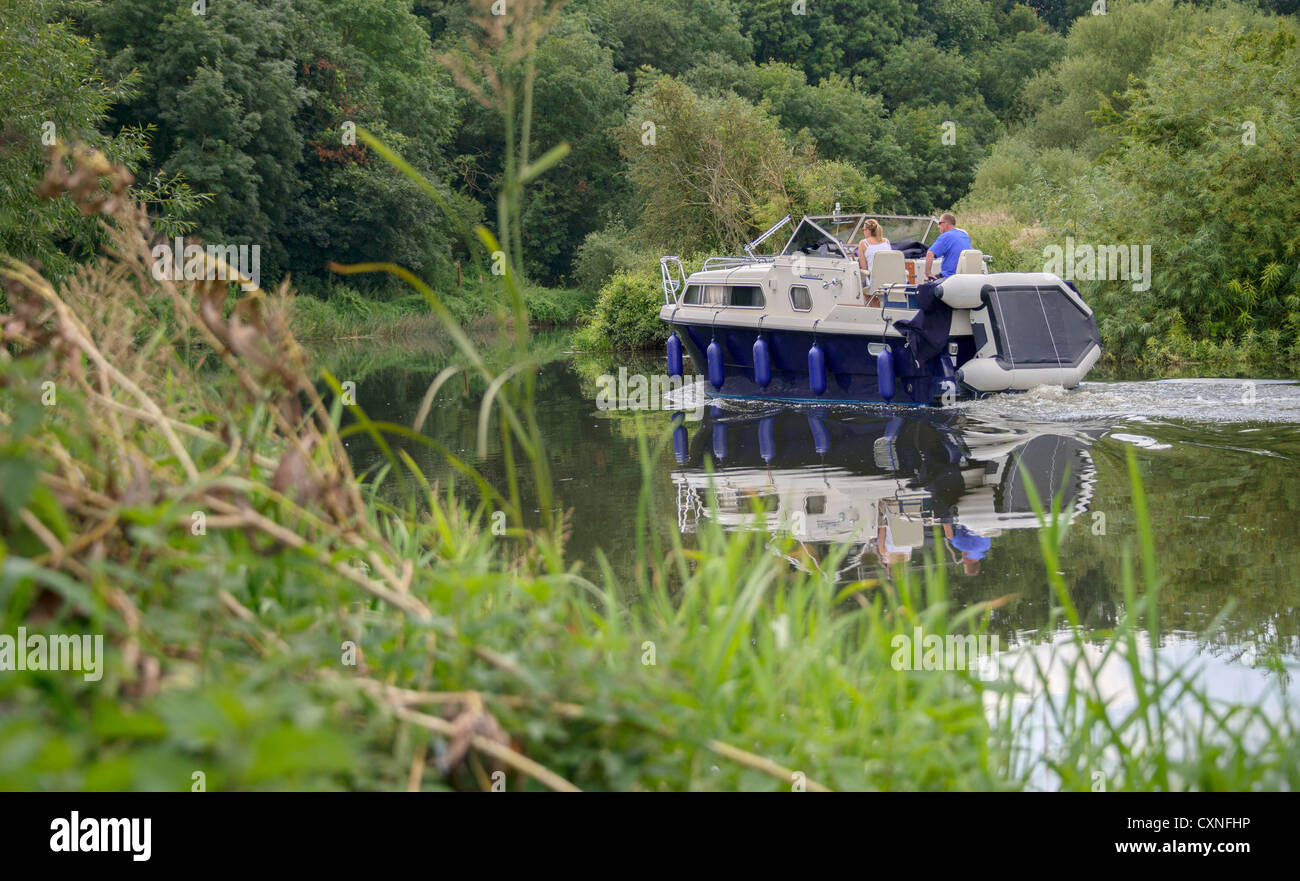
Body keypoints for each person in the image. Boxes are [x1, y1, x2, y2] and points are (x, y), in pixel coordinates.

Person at [924, 212, 972, 280]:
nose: (938, 226)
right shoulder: (964, 234)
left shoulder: (946, 236)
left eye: (940, 223)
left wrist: (928, 274)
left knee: (922, 286)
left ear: (946, 224)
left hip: (950, 277)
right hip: (965, 277)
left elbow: (930, 254)